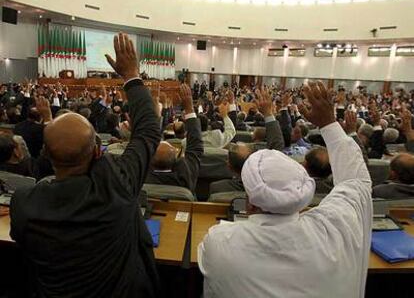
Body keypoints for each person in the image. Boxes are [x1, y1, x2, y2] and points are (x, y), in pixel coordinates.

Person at [10, 33, 161, 298]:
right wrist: (131, 76)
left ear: (46, 154)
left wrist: (48, 122)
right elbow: (148, 131)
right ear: (96, 152)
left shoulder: (24, 203)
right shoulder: (118, 185)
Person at [198, 81, 372, 298]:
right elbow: (357, 181)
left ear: (250, 201)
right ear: (302, 197)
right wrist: (329, 123)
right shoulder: (336, 229)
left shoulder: (220, 242)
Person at [146, 84, 203, 193]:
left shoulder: (140, 179)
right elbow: (196, 148)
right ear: (176, 160)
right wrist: (189, 108)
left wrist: (154, 103)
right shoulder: (185, 179)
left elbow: (146, 139)